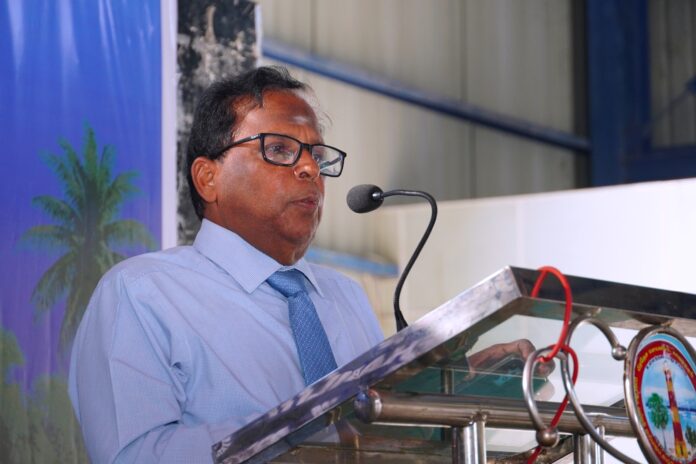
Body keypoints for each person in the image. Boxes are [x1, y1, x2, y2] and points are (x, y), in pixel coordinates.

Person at [69, 65, 548, 463]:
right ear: (208, 177)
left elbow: (377, 437)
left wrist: (445, 393)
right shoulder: (141, 294)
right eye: (279, 149)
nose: (310, 169)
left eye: (317, 156)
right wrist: (322, 430)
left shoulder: (344, 296)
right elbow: (134, 456)